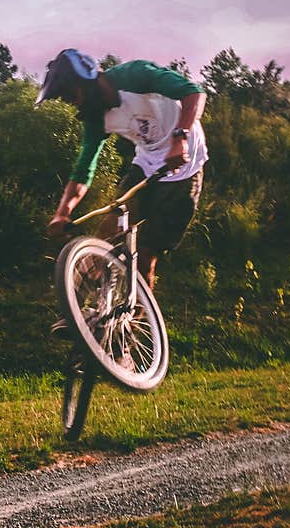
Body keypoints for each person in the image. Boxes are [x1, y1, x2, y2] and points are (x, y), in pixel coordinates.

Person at [36, 48, 208, 336]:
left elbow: (193, 93)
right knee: (108, 231)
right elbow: (83, 170)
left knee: (147, 254)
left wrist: (181, 137)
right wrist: (62, 213)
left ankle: (131, 329)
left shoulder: (134, 75)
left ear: (87, 81)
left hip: (184, 167)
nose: (72, 104)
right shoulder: (95, 118)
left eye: (71, 96)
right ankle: (77, 315)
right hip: (146, 165)